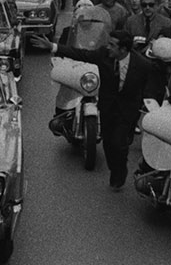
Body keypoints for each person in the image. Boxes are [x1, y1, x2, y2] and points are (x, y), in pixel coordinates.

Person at [39, 29, 155, 191]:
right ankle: (115, 168)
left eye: (112, 45)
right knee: (108, 142)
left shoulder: (143, 65)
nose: (108, 47)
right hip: (107, 108)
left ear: (123, 50)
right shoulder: (103, 55)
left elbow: (150, 86)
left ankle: (119, 174)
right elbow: (81, 54)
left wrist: (149, 104)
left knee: (119, 143)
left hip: (128, 111)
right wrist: (53, 46)